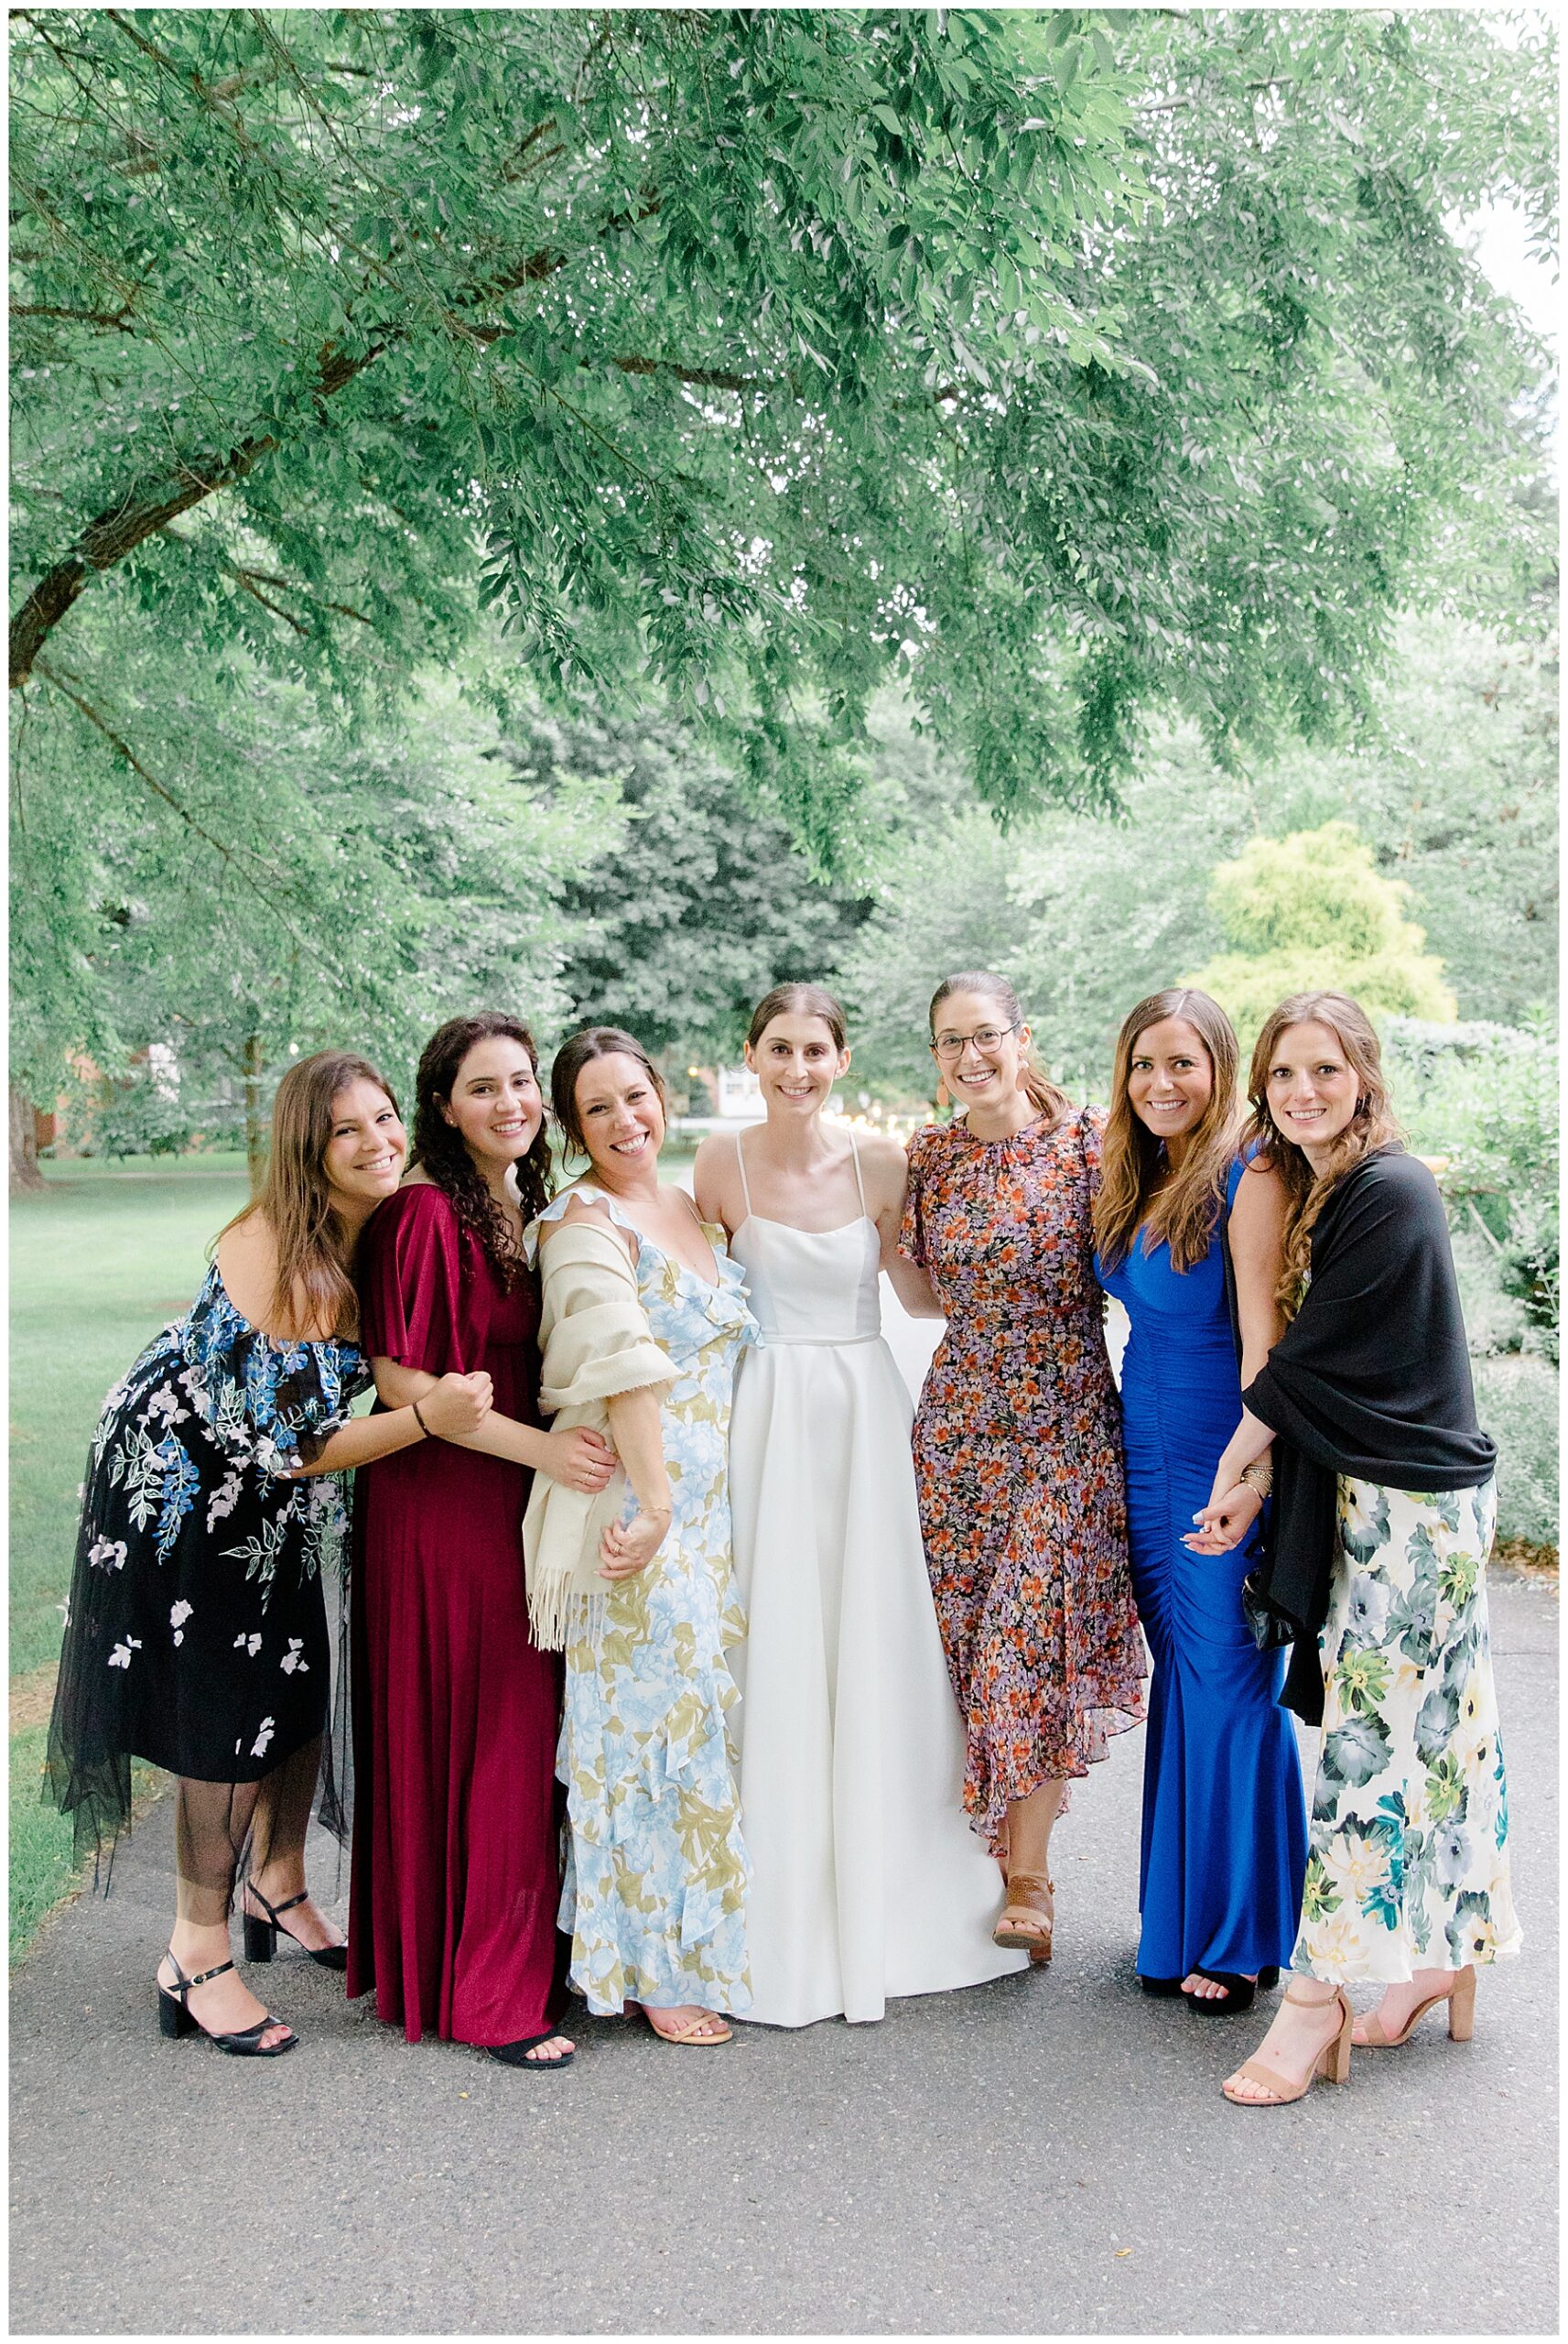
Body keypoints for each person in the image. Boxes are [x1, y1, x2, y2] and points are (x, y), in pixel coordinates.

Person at [45, 1050, 493, 2056]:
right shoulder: (279, 1250)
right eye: (349, 1130)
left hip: (267, 1486)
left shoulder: (380, 1218)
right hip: (184, 1483)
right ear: (308, 1148)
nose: (378, 1141)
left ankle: (277, 1881)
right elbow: (295, 1445)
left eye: (385, 1118)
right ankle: (194, 1955)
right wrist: (431, 1416)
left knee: (298, 1675)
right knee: (225, 1706)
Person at [1188, 991, 1519, 2106]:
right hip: (1395, 1498)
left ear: (1365, 1075)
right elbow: (1324, 1380)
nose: (1302, 1092)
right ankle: (1443, 1958)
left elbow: (1305, 1367)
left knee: (1365, 1755)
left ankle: (1316, 1996)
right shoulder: (1336, 1188)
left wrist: (1238, 1473)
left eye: (1324, 1070)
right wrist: (1261, 1478)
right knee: (1443, 1734)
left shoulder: (1390, 1188)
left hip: (1414, 1512)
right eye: (1282, 1076)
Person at [694, 983, 1027, 2026]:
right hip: (767, 1416)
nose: (798, 1067)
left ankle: (899, 1887)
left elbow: (925, 1294)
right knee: (777, 1633)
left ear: (842, 1059)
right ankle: (766, 1888)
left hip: (862, 1412)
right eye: (780, 1048)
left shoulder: (887, 1163)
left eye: (817, 1050)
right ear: (752, 1055)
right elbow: (697, 1300)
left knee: (878, 1634)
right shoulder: (719, 1165)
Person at [348, 1013, 616, 2070]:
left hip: (509, 1496)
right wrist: (546, 1456)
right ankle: (490, 1996)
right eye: (484, 1088)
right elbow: (407, 1385)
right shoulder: (423, 1210)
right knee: (498, 1728)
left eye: (521, 1084)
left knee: (518, 1727)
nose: (511, 1103)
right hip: (447, 1506)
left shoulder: (515, 1204)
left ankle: (507, 1954)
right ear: (444, 1105)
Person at [900, 971, 1144, 1963]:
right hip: (958, 1428)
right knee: (964, 1645)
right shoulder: (929, 1156)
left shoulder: (1093, 1142)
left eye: (987, 1036)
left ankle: (1032, 1872)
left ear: (1024, 1036)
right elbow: (917, 1291)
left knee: (1025, 1645)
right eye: (951, 1042)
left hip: (1066, 1424)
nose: (971, 1057)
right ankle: (987, 1854)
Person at [526, 1026, 756, 2046]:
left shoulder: (686, 1205)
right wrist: (656, 1507)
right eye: (599, 1110)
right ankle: (650, 1967)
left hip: (707, 1517)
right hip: (637, 1513)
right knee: (649, 1740)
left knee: (693, 1724)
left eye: (636, 1096)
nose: (627, 1122)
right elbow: (619, 1366)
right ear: (574, 1132)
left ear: (661, 1094)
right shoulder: (584, 1220)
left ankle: (678, 1943)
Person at [1092, 988, 1306, 2013]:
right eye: (1143, 1064)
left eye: (1182, 1063)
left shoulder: (1246, 1171)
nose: (1160, 1083)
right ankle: (1179, 1917)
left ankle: (1238, 1934)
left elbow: (1266, 1341)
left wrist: (1251, 1472)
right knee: (1187, 1681)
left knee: (1231, 1691)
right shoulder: (1142, 1170)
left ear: (1222, 1066)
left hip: (1225, 1462)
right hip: (1145, 1459)